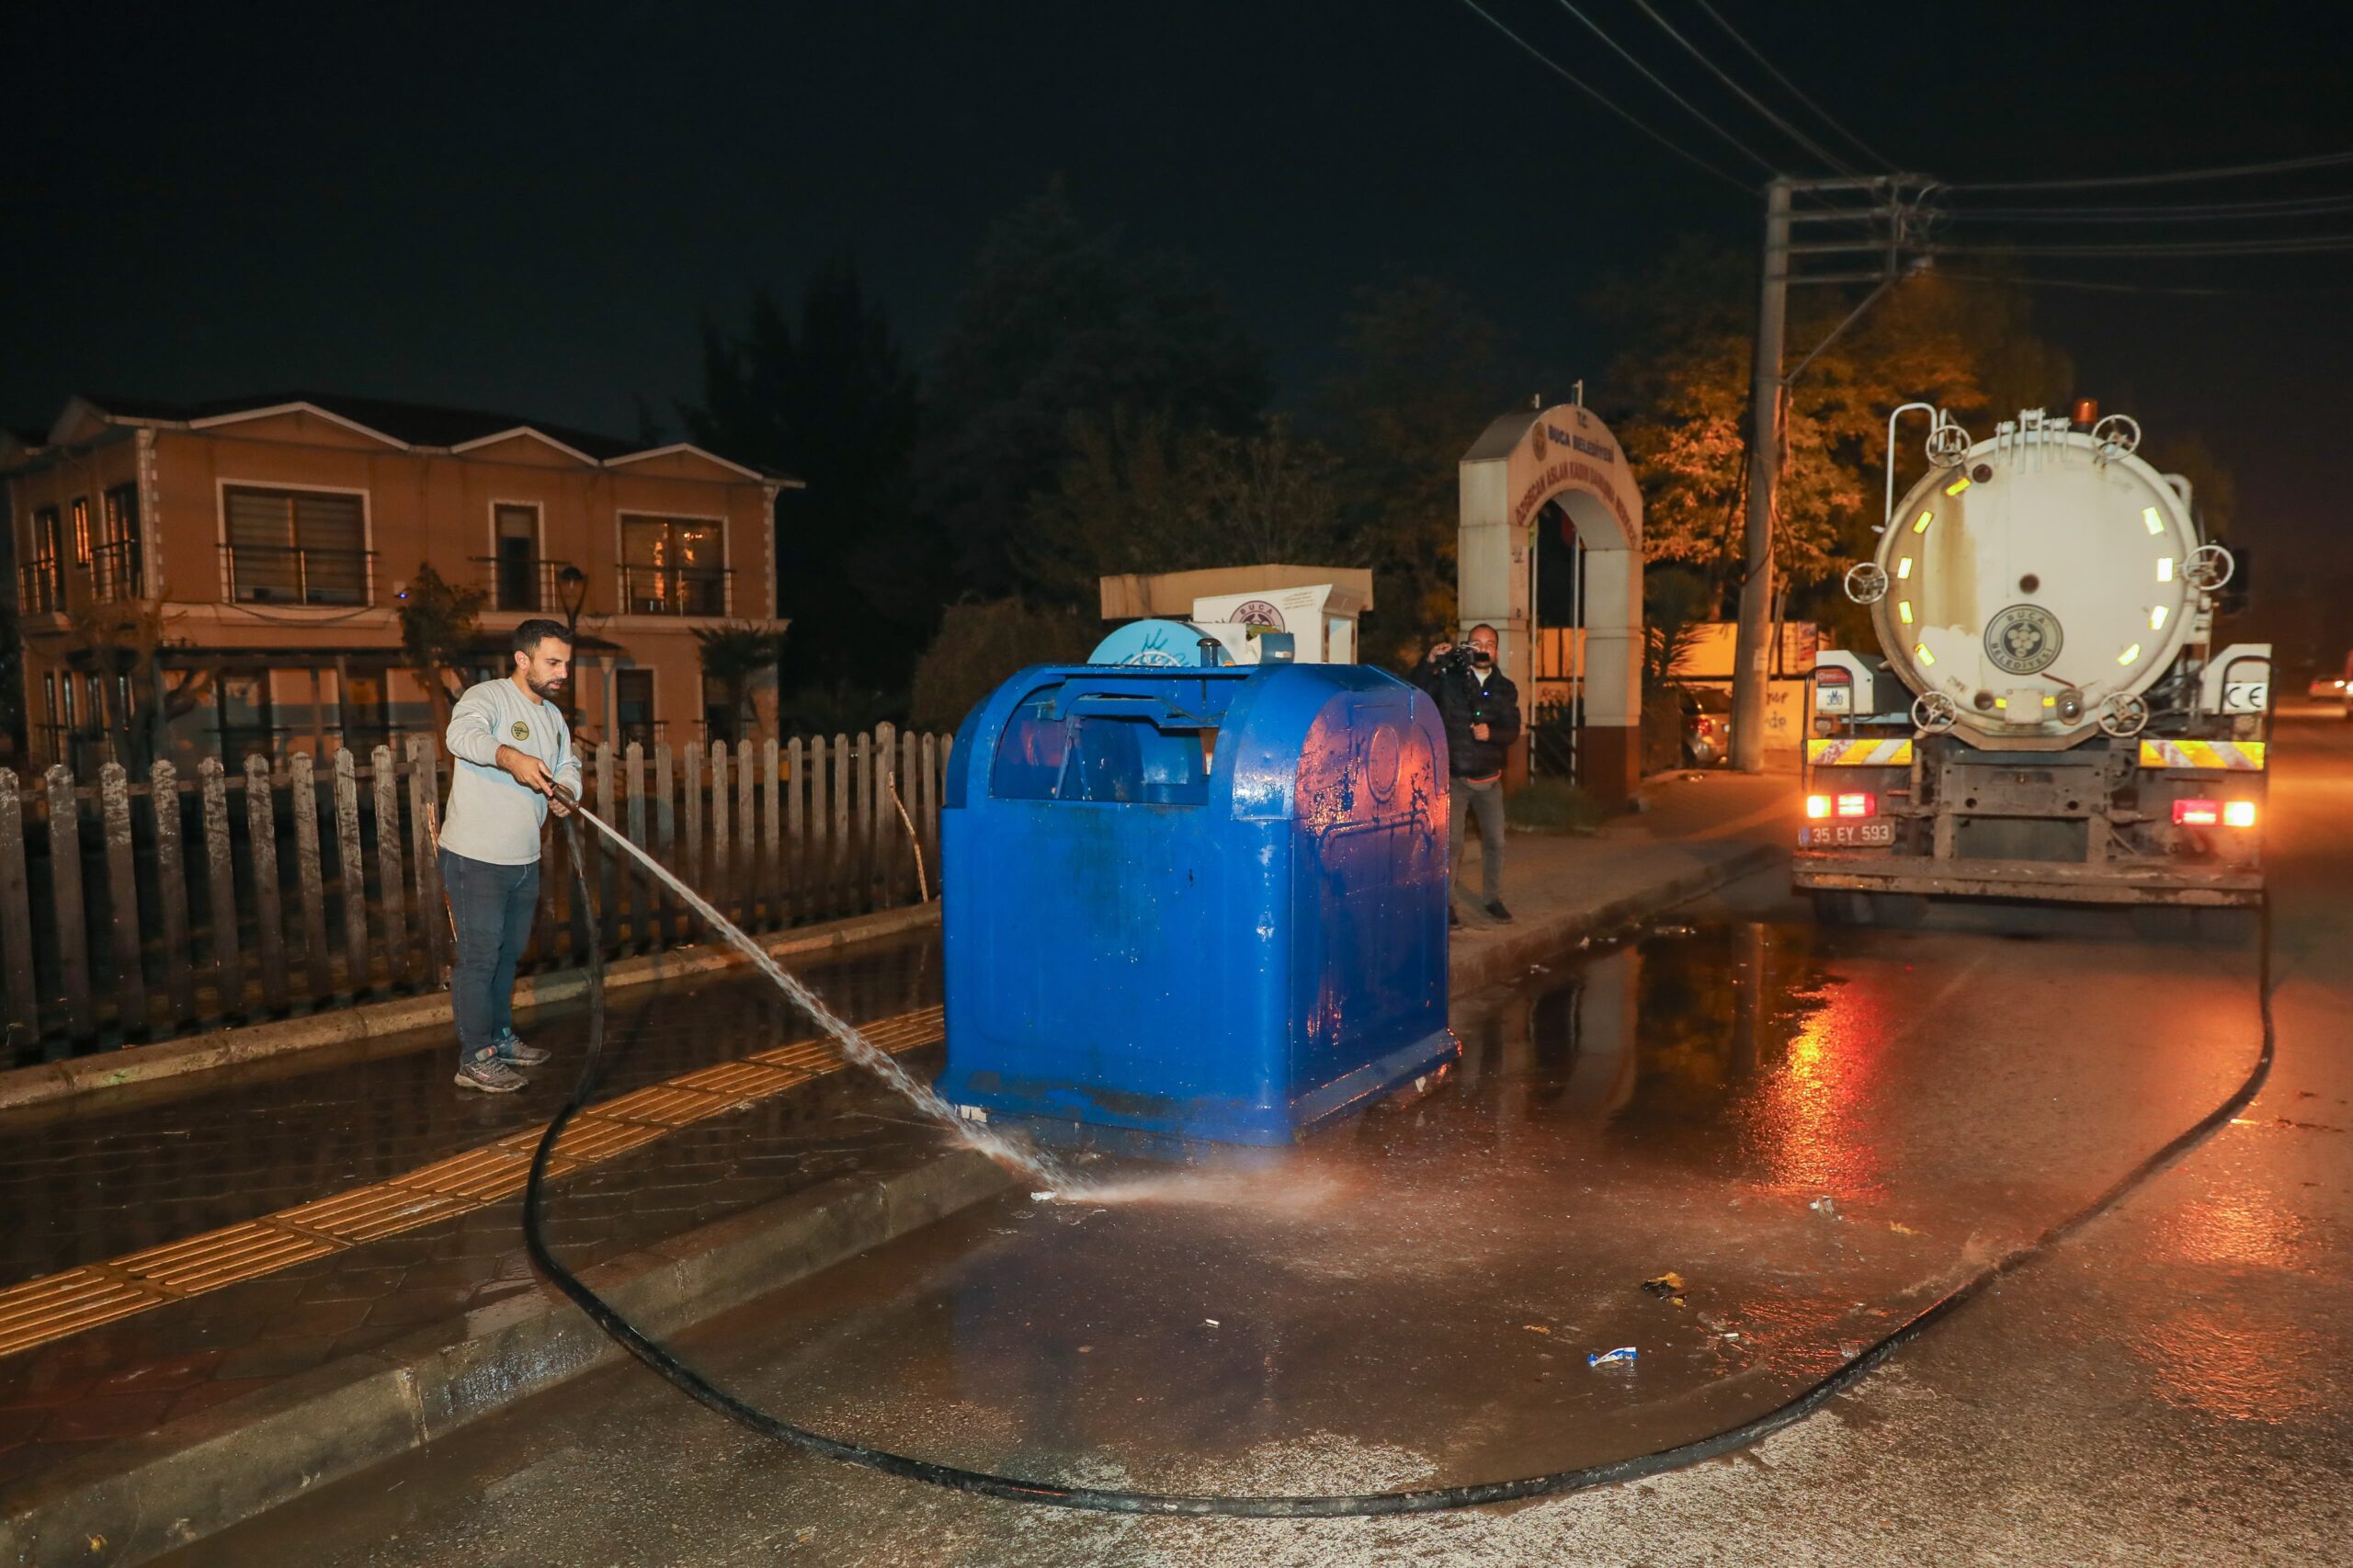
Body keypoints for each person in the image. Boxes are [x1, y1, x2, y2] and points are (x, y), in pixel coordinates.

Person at [438, 619, 583, 1092]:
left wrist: (568, 791)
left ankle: (499, 1039)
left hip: (524, 858)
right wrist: (510, 757)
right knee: (479, 957)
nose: (564, 672)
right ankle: (473, 1057)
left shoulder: (554, 718)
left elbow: (568, 764)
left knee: (506, 956)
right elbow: (460, 738)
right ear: (523, 659)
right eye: (553, 662)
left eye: (566, 662)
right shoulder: (486, 698)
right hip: (475, 857)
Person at [1413, 622, 1521, 926]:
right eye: (1476, 642)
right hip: (1455, 777)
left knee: (1496, 842)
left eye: (1489, 643)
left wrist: (1493, 733)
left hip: (1490, 778)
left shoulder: (1505, 688)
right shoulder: (1449, 681)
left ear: (1496, 651)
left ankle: (1492, 899)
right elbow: (1418, 690)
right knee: (1453, 844)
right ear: (1468, 647)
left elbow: (1512, 730)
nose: (1483, 647)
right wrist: (1430, 660)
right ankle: (1446, 904)